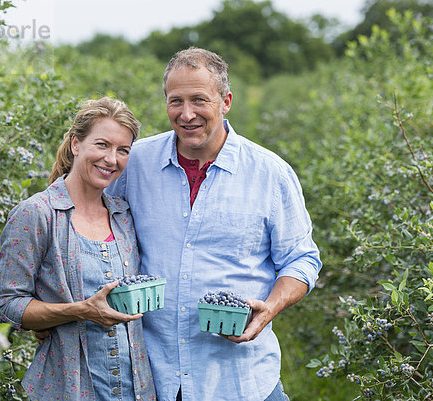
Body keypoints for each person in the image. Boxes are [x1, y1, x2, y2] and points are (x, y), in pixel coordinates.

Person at [106, 48, 322, 401]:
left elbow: (302, 260)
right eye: (175, 101)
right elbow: (77, 211)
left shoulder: (270, 173)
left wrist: (271, 307)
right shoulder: (136, 162)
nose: (186, 114)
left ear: (226, 102)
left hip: (241, 379)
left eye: (199, 100)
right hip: (153, 378)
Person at [0, 97, 156, 401]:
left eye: (123, 150)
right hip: (68, 388)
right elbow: (6, 305)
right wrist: (79, 311)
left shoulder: (123, 215)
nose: (111, 159)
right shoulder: (37, 214)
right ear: (75, 144)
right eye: (102, 145)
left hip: (137, 389)